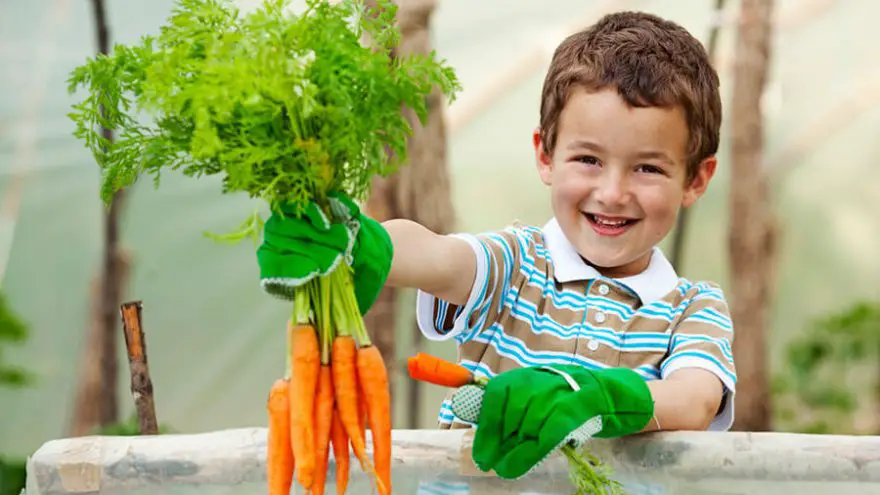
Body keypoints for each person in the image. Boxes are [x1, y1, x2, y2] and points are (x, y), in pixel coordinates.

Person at [256, 9, 736, 484]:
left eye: (647, 168)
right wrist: (365, 243)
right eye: (588, 159)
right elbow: (439, 257)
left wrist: (602, 397)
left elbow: (695, 399)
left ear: (695, 178)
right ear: (546, 156)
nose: (612, 193)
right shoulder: (517, 262)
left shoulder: (692, 307)